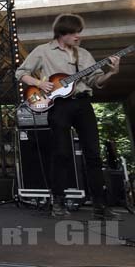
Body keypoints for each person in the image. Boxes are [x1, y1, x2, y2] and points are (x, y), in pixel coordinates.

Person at [15, 14, 121, 220]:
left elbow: (95, 81)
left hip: (83, 103)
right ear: (62, 33)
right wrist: (38, 84)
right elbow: (21, 73)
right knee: (61, 153)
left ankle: (100, 205)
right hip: (60, 106)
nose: (78, 36)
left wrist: (112, 72)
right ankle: (58, 202)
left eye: (79, 32)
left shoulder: (83, 54)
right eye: (74, 33)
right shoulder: (43, 51)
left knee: (93, 154)